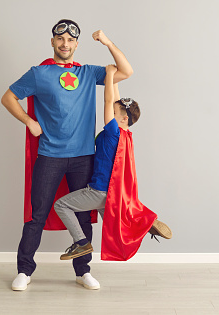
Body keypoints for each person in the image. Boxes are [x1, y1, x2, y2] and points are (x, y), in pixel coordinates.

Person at [1, 19, 133, 291]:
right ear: (52, 42)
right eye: (60, 39)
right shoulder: (39, 74)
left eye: (70, 40)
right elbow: (8, 97)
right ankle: (24, 271)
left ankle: (82, 271)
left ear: (76, 44)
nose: (65, 44)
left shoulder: (87, 73)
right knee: (36, 215)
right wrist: (28, 120)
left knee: (84, 217)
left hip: (84, 158)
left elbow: (125, 71)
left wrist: (107, 43)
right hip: (50, 156)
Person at [53, 65, 172, 268]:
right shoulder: (126, 135)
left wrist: (109, 75)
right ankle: (143, 223)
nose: (111, 112)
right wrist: (115, 82)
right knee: (116, 224)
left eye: (115, 112)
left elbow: (108, 101)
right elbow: (115, 101)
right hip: (112, 196)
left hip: (99, 191)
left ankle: (81, 243)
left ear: (123, 118)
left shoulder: (112, 132)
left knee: (61, 205)